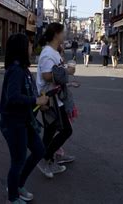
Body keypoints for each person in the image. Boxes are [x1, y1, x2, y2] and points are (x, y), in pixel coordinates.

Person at [0, 33, 49, 204]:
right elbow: (12, 98)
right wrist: (36, 100)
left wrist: (39, 102)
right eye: (28, 45)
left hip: (25, 121)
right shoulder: (15, 71)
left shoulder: (24, 69)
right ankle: (12, 197)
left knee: (39, 150)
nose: (31, 48)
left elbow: (27, 94)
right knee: (18, 161)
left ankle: (17, 186)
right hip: (13, 124)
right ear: (21, 48)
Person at [36, 23, 75, 178]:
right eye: (63, 32)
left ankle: (51, 156)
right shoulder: (47, 53)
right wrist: (66, 72)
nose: (64, 35)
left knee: (51, 131)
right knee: (65, 130)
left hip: (54, 97)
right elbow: (46, 75)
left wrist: (66, 77)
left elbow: (56, 73)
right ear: (56, 34)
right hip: (48, 99)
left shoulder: (54, 52)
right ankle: (45, 159)